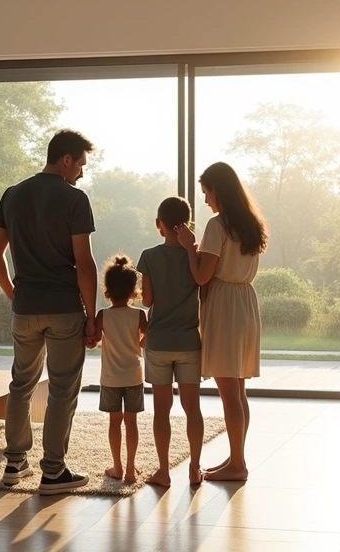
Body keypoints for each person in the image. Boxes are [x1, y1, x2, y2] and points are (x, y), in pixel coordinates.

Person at [0, 129, 98, 495]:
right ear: (66, 159)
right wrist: (92, 314)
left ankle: (14, 462)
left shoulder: (12, 195)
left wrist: (11, 294)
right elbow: (84, 264)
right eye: (80, 164)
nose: (81, 172)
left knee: (21, 384)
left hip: (26, 308)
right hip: (64, 308)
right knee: (62, 389)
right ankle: (53, 471)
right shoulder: (74, 199)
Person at [176, 162, 267, 483]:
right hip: (244, 304)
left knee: (229, 391)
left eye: (206, 193)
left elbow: (202, 276)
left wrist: (189, 248)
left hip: (225, 308)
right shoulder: (251, 224)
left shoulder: (218, 226)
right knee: (238, 390)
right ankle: (236, 458)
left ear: (218, 190)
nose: (205, 200)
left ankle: (238, 464)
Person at [138, 197, 205, 487]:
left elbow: (148, 300)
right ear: (187, 224)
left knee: (161, 410)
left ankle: (163, 471)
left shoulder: (149, 256)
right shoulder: (197, 256)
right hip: (189, 341)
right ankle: (194, 468)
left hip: (159, 342)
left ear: (159, 225)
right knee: (193, 408)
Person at [94, 255, 147, 483]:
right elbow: (148, 340)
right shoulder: (139, 315)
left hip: (111, 378)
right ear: (133, 292)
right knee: (131, 422)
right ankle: (130, 470)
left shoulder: (103, 315)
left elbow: (94, 339)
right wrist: (137, 344)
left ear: (107, 291)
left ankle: (116, 467)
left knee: (114, 422)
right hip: (134, 375)